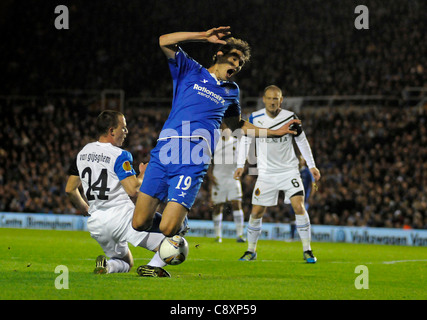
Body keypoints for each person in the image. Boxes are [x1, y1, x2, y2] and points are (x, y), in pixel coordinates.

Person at [132, 26, 301, 240]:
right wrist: (202, 36)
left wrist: (275, 132)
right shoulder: (191, 70)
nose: (237, 66)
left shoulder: (231, 91)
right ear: (220, 54)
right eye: (234, 59)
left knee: (167, 228)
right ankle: (178, 224)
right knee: (139, 223)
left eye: (240, 64)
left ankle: (177, 225)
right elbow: (163, 40)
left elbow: (237, 125)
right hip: (165, 149)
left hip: (194, 157)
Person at [65, 110, 170, 277]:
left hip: (97, 223)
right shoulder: (120, 155)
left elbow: (70, 189)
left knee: (126, 263)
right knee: (175, 245)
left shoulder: (83, 152)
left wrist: (86, 209)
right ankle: (152, 267)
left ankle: (107, 266)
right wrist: (143, 174)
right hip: (123, 218)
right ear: (112, 131)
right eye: (124, 127)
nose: (126, 132)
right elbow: (133, 190)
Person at [234, 85, 321, 263]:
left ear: (281, 100)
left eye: (276, 98)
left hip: (289, 171)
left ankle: (307, 250)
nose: (273, 102)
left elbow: (302, 142)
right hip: (266, 173)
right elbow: (244, 142)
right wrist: (240, 164)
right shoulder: (255, 118)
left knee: (299, 206)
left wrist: (312, 166)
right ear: (264, 99)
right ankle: (251, 250)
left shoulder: (290, 118)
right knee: (256, 211)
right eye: (269, 98)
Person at [207, 123, 245, 243]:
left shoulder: (236, 142)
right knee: (218, 207)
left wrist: (241, 169)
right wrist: (210, 176)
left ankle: (240, 235)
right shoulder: (215, 144)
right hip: (218, 179)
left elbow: (243, 159)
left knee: (237, 204)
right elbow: (207, 162)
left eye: (227, 129)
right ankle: (218, 236)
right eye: (222, 129)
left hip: (233, 178)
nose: (225, 131)